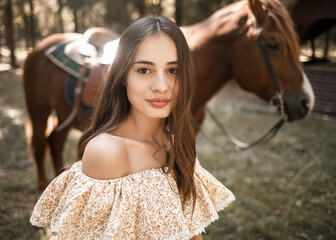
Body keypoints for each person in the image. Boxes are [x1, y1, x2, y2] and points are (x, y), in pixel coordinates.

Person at [30, 16, 235, 240]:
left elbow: (190, 231)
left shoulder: (174, 139)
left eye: (173, 70)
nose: (161, 86)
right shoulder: (107, 152)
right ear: (123, 76)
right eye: (144, 70)